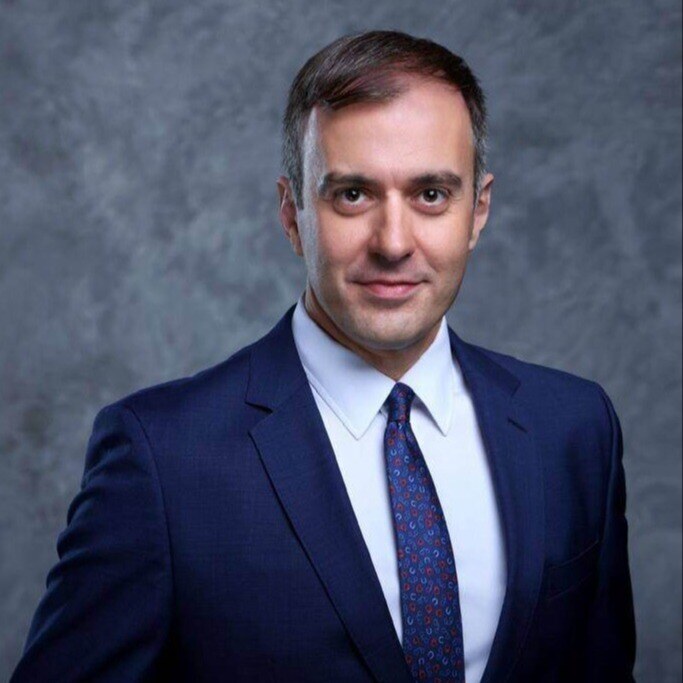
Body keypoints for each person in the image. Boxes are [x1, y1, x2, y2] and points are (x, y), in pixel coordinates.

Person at [11, 30, 636, 682]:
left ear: (477, 211)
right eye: (352, 194)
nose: (393, 243)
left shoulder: (573, 428)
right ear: (292, 214)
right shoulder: (163, 460)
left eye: (430, 194)